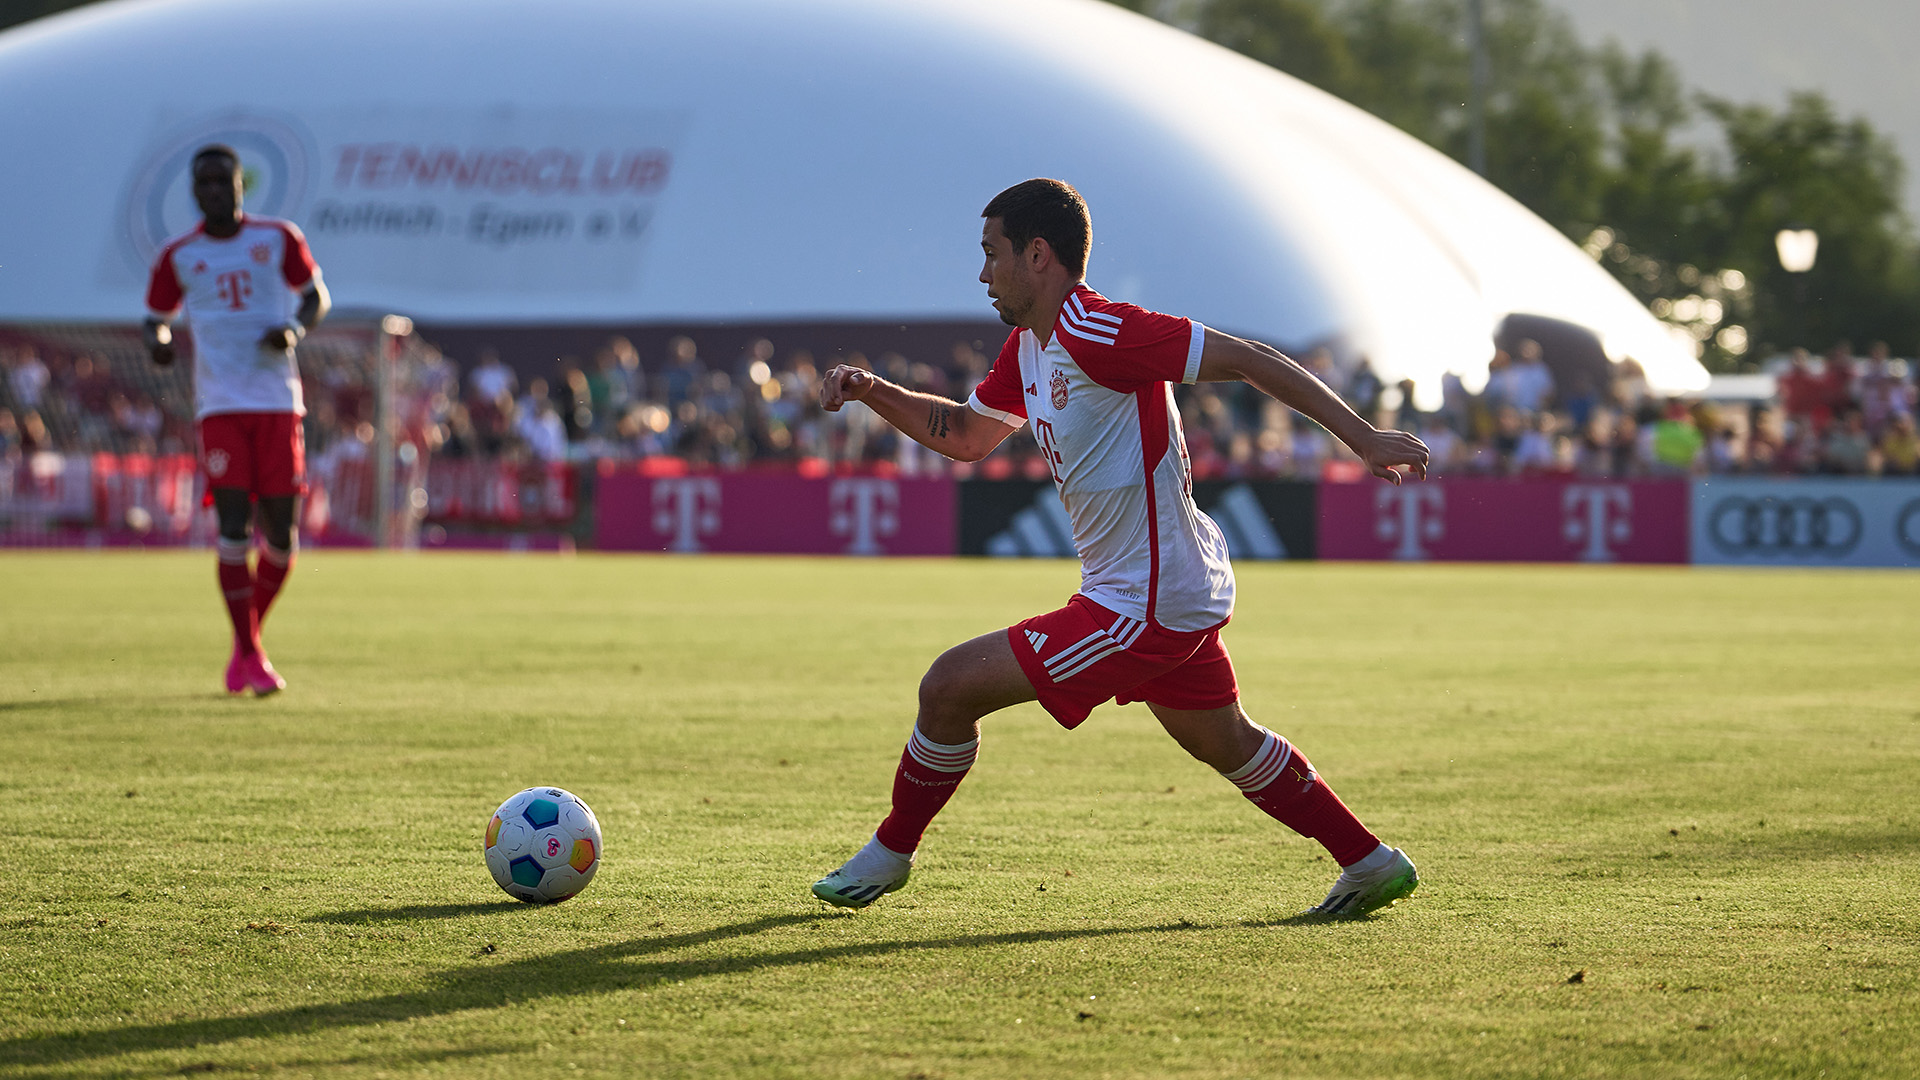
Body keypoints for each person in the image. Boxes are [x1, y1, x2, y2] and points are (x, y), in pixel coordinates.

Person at [811, 179, 1430, 917]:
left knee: (948, 687)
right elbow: (969, 437)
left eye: (991, 255)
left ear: (1037, 256)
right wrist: (876, 391)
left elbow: (1249, 359)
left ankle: (888, 853)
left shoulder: (1101, 331)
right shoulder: (1030, 348)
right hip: (1156, 587)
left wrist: (1361, 438)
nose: (982, 275)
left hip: (1145, 599)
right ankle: (1370, 861)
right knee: (1226, 740)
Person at [144, 144, 330, 695]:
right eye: (203, 184)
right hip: (220, 406)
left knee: (281, 538)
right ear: (195, 193)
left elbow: (315, 295)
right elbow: (155, 319)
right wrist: (157, 343)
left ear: (240, 186)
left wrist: (294, 330)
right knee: (232, 530)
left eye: (222, 182)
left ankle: (244, 647)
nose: (214, 192)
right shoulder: (179, 256)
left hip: (277, 401)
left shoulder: (277, 238)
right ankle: (251, 654)